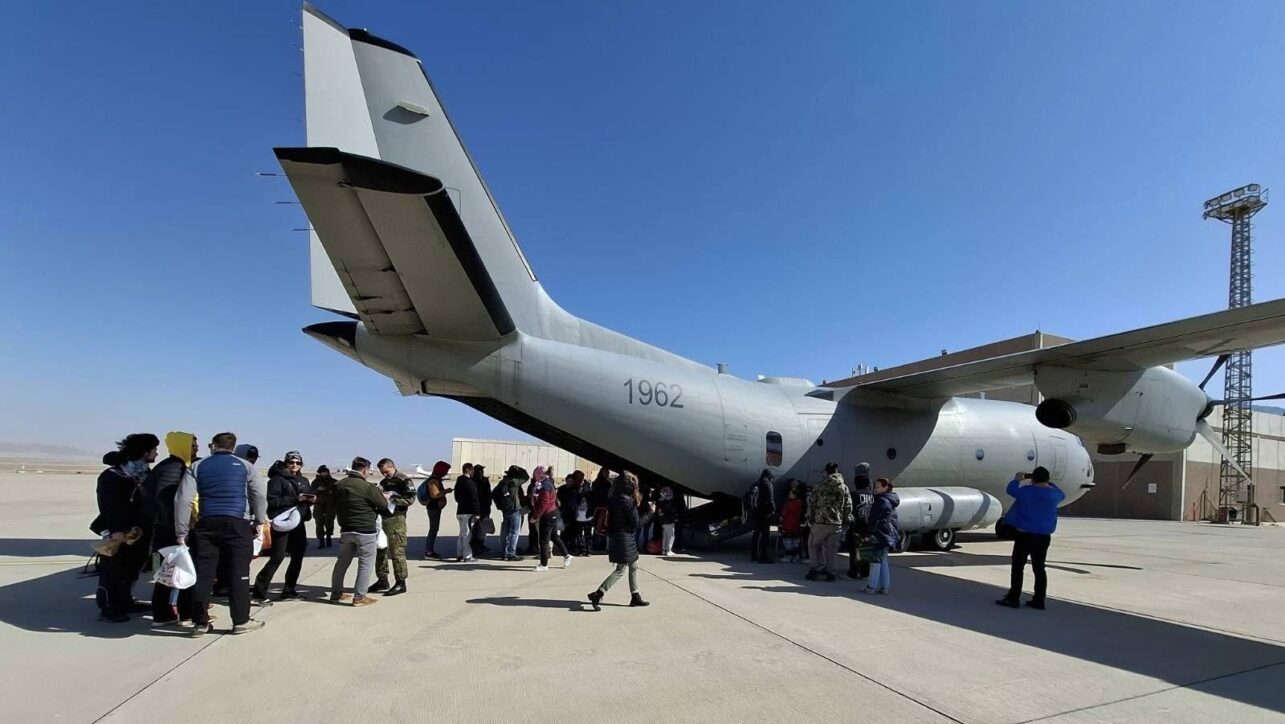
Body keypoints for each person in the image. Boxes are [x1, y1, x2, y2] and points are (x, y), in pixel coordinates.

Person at [175, 432, 267, 636]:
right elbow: (259, 495)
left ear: (214, 446)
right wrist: (260, 520)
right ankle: (241, 621)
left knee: (204, 574)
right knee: (239, 574)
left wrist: (181, 531)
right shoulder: (246, 466)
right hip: (237, 523)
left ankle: (200, 623)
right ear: (233, 447)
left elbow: (183, 500)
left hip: (206, 524)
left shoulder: (197, 466)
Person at [95, 434, 159, 623]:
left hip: (139, 531)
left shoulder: (144, 474)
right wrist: (116, 530)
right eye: (154, 449)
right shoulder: (114, 476)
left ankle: (125, 601)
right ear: (145, 452)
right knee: (113, 570)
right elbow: (108, 505)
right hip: (119, 532)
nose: (157, 453)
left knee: (132, 568)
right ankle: (107, 608)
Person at [144, 432, 198, 626]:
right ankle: (185, 614)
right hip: (170, 532)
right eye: (192, 445)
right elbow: (168, 500)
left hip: (162, 531)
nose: (196, 448)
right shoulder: (173, 469)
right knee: (178, 572)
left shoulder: (173, 466)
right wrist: (182, 526)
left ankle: (163, 614)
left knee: (164, 573)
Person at [996, 466, 1066, 610]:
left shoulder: (1026, 492)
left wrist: (1018, 479)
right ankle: (1039, 600)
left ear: (1033, 479)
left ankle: (1013, 598)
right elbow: (1061, 492)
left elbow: (1010, 489)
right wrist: (1049, 483)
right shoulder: (1054, 495)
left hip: (1024, 535)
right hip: (1044, 537)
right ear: (1047, 479)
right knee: (1039, 568)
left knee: (1018, 567)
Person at [252, 452, 314, 602]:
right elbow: (273, 502)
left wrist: (309, 500)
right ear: (286, 463)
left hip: (298, 522)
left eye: (297, 463)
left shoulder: (304, 480)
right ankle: (259, 591)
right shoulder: (277, 480)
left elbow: (307, 497)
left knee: (297, 557)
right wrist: (295, 499)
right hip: (282, 523)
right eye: (291, 462)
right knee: (277, 557)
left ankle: (289, 590)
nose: (294, 465)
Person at [329, 457, 389, 606]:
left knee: (342, 563)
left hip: (346, 529)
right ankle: (359, 597)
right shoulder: (367, 487)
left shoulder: (339, 485)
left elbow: (332, 504)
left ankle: (336, 593)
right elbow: (382, 504)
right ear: (364, 470)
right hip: (365, 530)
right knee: (365, 563)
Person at [587, 471, 649, 610]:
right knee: (621, 569)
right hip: (625, 538)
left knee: (633, 566)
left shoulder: (613, 498)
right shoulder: (627, 501)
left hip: (617, 536)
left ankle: (635, 596)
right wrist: (649, 512)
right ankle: (598, 593)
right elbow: (636, 523)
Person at [372, 458, 416, 596]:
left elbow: (410, 500)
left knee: (397, 552)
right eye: (382, 472)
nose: (385, 475)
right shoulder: (384, 482)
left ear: (392, 467)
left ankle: (400, 582)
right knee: (381, 550)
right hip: (383, 518)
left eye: (386, 472)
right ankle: (382, 579)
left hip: (397, 519)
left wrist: (391, 499)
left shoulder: (404, 480)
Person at [804, 462, 852, 582]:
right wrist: (846, 520)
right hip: (836, 523)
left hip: (820, 522)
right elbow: (848, 506)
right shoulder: (844, 487)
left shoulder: (820, 486)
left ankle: (814, 570)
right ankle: (831, 573)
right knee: (832, 549)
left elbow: (812, 503)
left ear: (826, 472)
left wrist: (809, 518)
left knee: (813, 545)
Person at [862, 478, 900, 595]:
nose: (876, 489)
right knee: (883, 560)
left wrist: (868, 534)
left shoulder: (881, 501)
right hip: (888, 534)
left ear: (885, 487)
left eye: (878, 487)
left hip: (880, 534)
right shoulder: (891, 501)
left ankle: (871, 586)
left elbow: (874, 520)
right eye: (876, 486)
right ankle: (885, 587)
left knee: (875, 561)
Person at [530, 465, 571, 571]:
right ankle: (567, 555)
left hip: (547, 515)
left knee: (543, 541)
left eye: (535, 474)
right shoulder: (545, 483)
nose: (534, 476)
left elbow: (544, 503)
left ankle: (544, 565)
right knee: (554, 536)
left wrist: (535, 517)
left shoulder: (545, 486)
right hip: (552, 513)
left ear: (540, 474)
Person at [493, 465, 527, 561]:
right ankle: (511, 553)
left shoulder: (503, 482)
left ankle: (504, 553)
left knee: (506, 532)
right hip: (514, 509)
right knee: (514, 532)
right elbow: (526, 477)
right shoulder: (514, 482)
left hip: (505, 510)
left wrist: (499, 505)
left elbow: (494, 493)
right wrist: (521, 469)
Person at [847, 463, 875, 580]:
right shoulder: (872, 495)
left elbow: (849, 510)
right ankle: (865, 572)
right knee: (866, 550)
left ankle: (854, 572)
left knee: (854, 551)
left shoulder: (854, 494)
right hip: (868, 527)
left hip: (856, 527)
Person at [420, 460, 452, 559]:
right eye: (445, 471)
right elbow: (435, 495)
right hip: (433, 508)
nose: (446, 473)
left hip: (435, 508)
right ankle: (428, 551)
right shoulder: (433, 481)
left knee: (434, 529)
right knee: (433, 530)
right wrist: (446, 491)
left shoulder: (436, 480)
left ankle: (429, 550)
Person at [748, 469, 777, 563]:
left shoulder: (756, 484)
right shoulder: (768, 484)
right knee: (765, 535)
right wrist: (772, 510)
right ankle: (763, 556)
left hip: (756, 513)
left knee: (756, 534)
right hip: (765, 514)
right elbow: (771, 499)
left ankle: (753, 555)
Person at [453, 462, 478, 562]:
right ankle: (467, 556)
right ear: (469, 470)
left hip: (460, 511)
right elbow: (474, 498)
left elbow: (456, 497)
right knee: (467, 534)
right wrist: (477, 512)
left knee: (462, 534)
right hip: (468, 513)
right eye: (472, 470)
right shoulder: (470, 483)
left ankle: (459, 554)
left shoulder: (459, 482)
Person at [310, 465, 338, 548]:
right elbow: (311, 492)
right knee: (319, 523)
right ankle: (321, 541)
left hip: (331, 505)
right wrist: (318, 490)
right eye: (322, 472)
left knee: (329, 522)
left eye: (326, 472)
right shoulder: (315, 482)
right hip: (319, 505)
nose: (324, 474)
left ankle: (329, 537)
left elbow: (338, 493)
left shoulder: (333, 482)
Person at [779, 480, 804, 563]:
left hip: (788, 524)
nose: (789, 495)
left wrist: (781, 520)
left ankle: (789, 556)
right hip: (796, 524)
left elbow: (784, 513)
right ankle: (795, 555)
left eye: (791, 493)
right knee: (795, 541)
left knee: (787, 541)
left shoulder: (788, 504)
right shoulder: (800, 503)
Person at [655, 484, 685, 556]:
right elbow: (672, 511)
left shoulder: (660, 501)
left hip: (663, 521)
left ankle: (664, 550)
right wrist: (675, 517)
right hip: (669, 520)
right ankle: (668, 550)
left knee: (665, 536)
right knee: (671, 536)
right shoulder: (669, 502)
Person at [470, 464, 492, 555]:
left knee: (481, 528)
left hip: (483, 507)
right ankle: (476, 545)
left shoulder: (481, 480)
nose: (481, 472)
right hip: (479, 507)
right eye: (480, 471)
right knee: (478, 528)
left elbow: (488, 494)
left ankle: (479, 544)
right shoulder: (477, 481)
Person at [589, 467, 612, 552]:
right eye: (606, 472)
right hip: (600, 507)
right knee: (600, 526)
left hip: (602, 507)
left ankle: (599, 544)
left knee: (601, 526)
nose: (607, 474)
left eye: (608, 472)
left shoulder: (604, 482)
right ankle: (598, 544)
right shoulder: (600, 483)